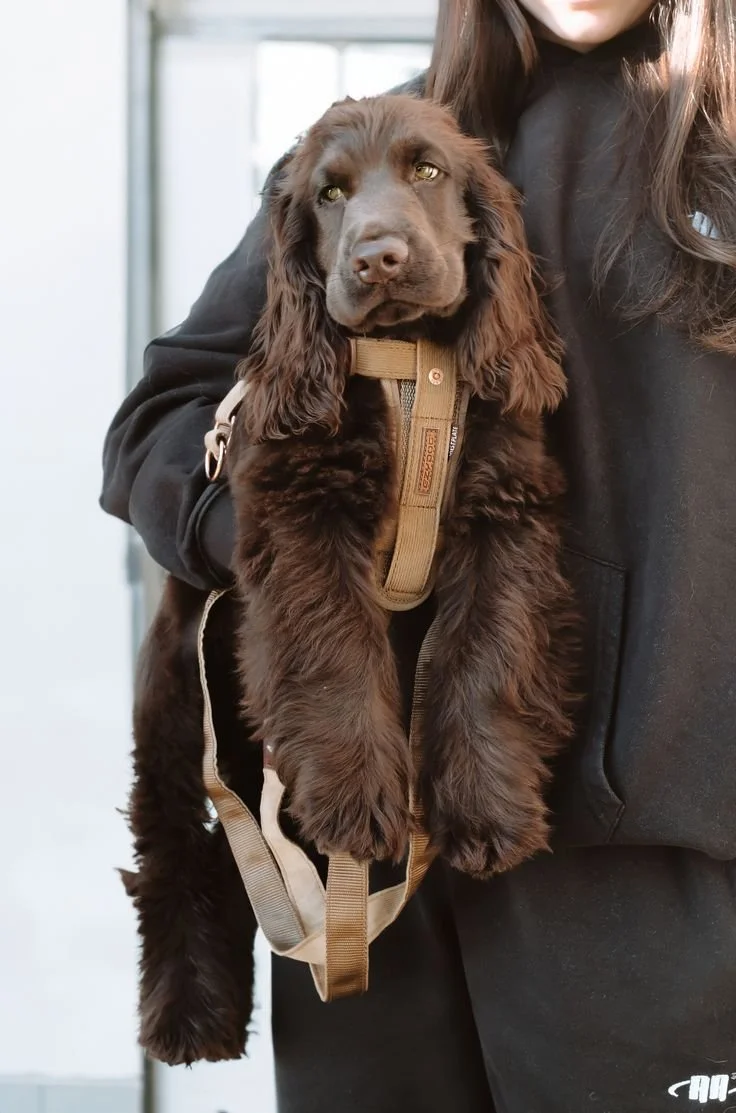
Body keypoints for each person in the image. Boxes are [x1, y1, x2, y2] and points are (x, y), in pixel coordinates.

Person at [101, 1, 736, 1110]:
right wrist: (276, 549)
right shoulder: (402, 137)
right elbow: (160, 419)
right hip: (364, 844)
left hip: (660, 875)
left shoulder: (716, 139)